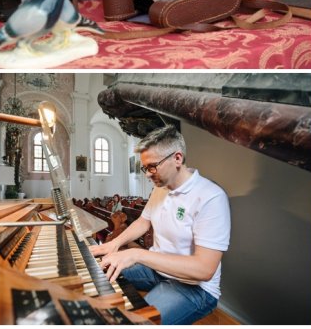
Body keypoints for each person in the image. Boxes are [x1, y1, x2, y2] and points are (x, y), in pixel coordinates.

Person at [90, 126, 230, 325]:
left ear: (177, 158)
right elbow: (143, 221)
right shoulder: (161, 188)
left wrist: (136, 254)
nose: (147, 174)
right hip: (156, 271)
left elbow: (204, 269)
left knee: (136, 323)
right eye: (145, 168)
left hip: (194, 288)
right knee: (97, 273)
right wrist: (114, 244)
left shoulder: (211, 197)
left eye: (152, 166)